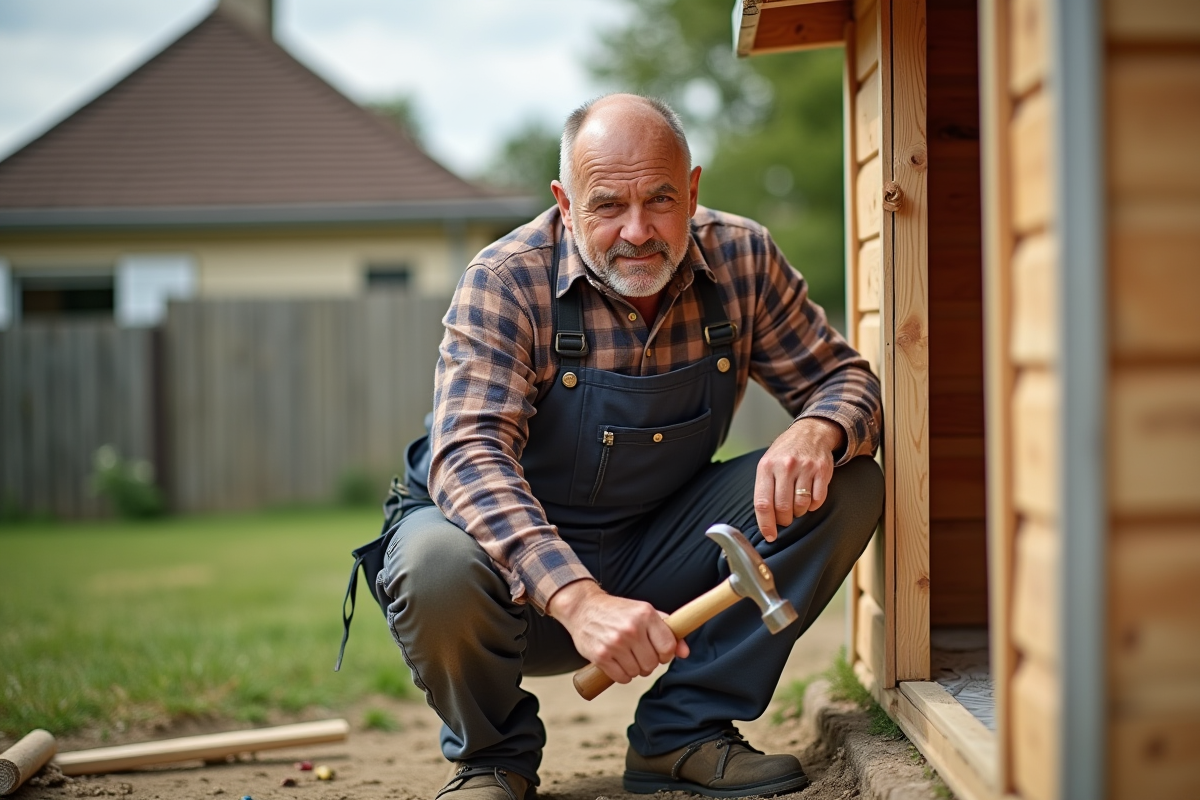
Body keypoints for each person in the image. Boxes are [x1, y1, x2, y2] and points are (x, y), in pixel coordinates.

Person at [376, 94, 883, 800]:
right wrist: (579, 601)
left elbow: (844, 378)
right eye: (608, 204)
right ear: (564, 200)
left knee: (850, 482)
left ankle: (683, 734)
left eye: (661, 199)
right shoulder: (506, 280)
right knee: (431, 560)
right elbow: (469, 456)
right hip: (513, 596)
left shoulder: (743, 257)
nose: (638, 231)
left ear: (694, 189)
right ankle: (493, 761)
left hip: (660, 555)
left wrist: (819, 427)